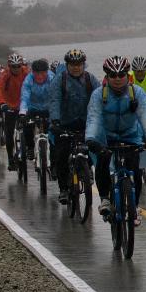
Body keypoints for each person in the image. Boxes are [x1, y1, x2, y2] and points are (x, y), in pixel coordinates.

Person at [85, 56, 146, 220]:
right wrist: (91, 139)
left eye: (121, 75)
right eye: (113, 75)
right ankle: (105, 198)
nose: (117, 79)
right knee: (103, 161)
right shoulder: (99, 95)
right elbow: (94, 118)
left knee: (136, 169)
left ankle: (136, 205)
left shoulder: (136, 93)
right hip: (106, 137)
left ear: (127, 75)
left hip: (131, 136)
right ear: (107, 77)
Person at [48, 49, 99, 203]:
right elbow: (54, 100)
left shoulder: (91, 79)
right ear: (67, 65)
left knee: (93, 146)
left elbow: (99, 98)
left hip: (86, 121)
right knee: (61, 155)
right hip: (64, 123)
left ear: (83, 64)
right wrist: (55, 121)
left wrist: (99, 120)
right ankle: (63, 188)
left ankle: (87, 167)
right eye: (72, 64)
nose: (76, 67)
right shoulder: (60, 79)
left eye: (79, 64)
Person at [17, 58, 55, 164]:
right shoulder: (28, 80)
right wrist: (22, 112)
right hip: (32, 108)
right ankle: (30, 148)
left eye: (43, 73)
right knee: (27, 126)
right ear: (32, 72)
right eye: (36, 73)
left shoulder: (52, 78)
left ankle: (53, 155)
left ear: (47, 71)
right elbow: (24, 97)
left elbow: (56, 96)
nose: (40, 76)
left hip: (48, 108)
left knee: (53, 130)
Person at [0, 54, 28, 169]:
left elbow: (31, 86)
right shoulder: (5, 74)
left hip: (23, 105)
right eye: (13, 66)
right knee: (9, 134)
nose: (16, 69)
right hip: (9, 106)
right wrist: (2, 103)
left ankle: (27, 148)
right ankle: (10, 159)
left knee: (27, 128)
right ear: (9, 66)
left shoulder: (26, 73)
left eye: (18, 66)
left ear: (21, 65)